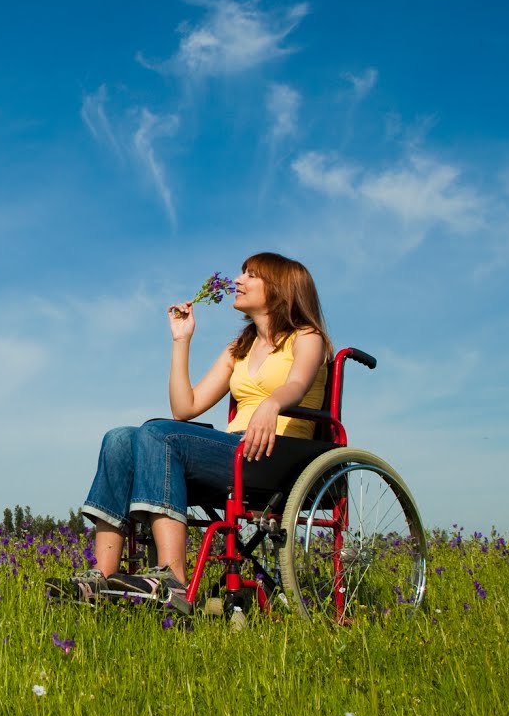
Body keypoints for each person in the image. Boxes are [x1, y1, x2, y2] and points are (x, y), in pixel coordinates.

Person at [65, 252, 333, 607]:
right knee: (119, 438)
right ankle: (102, 577)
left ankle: (171, 578)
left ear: (280, 288)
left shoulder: (306, 336)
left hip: (276, 454)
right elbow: (185, 407)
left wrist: (271, 404)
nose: (238, 281)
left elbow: (298, 383)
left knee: (159, 434)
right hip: (233, 449)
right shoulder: (238, 349)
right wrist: (181, 339)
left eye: (250, 275)